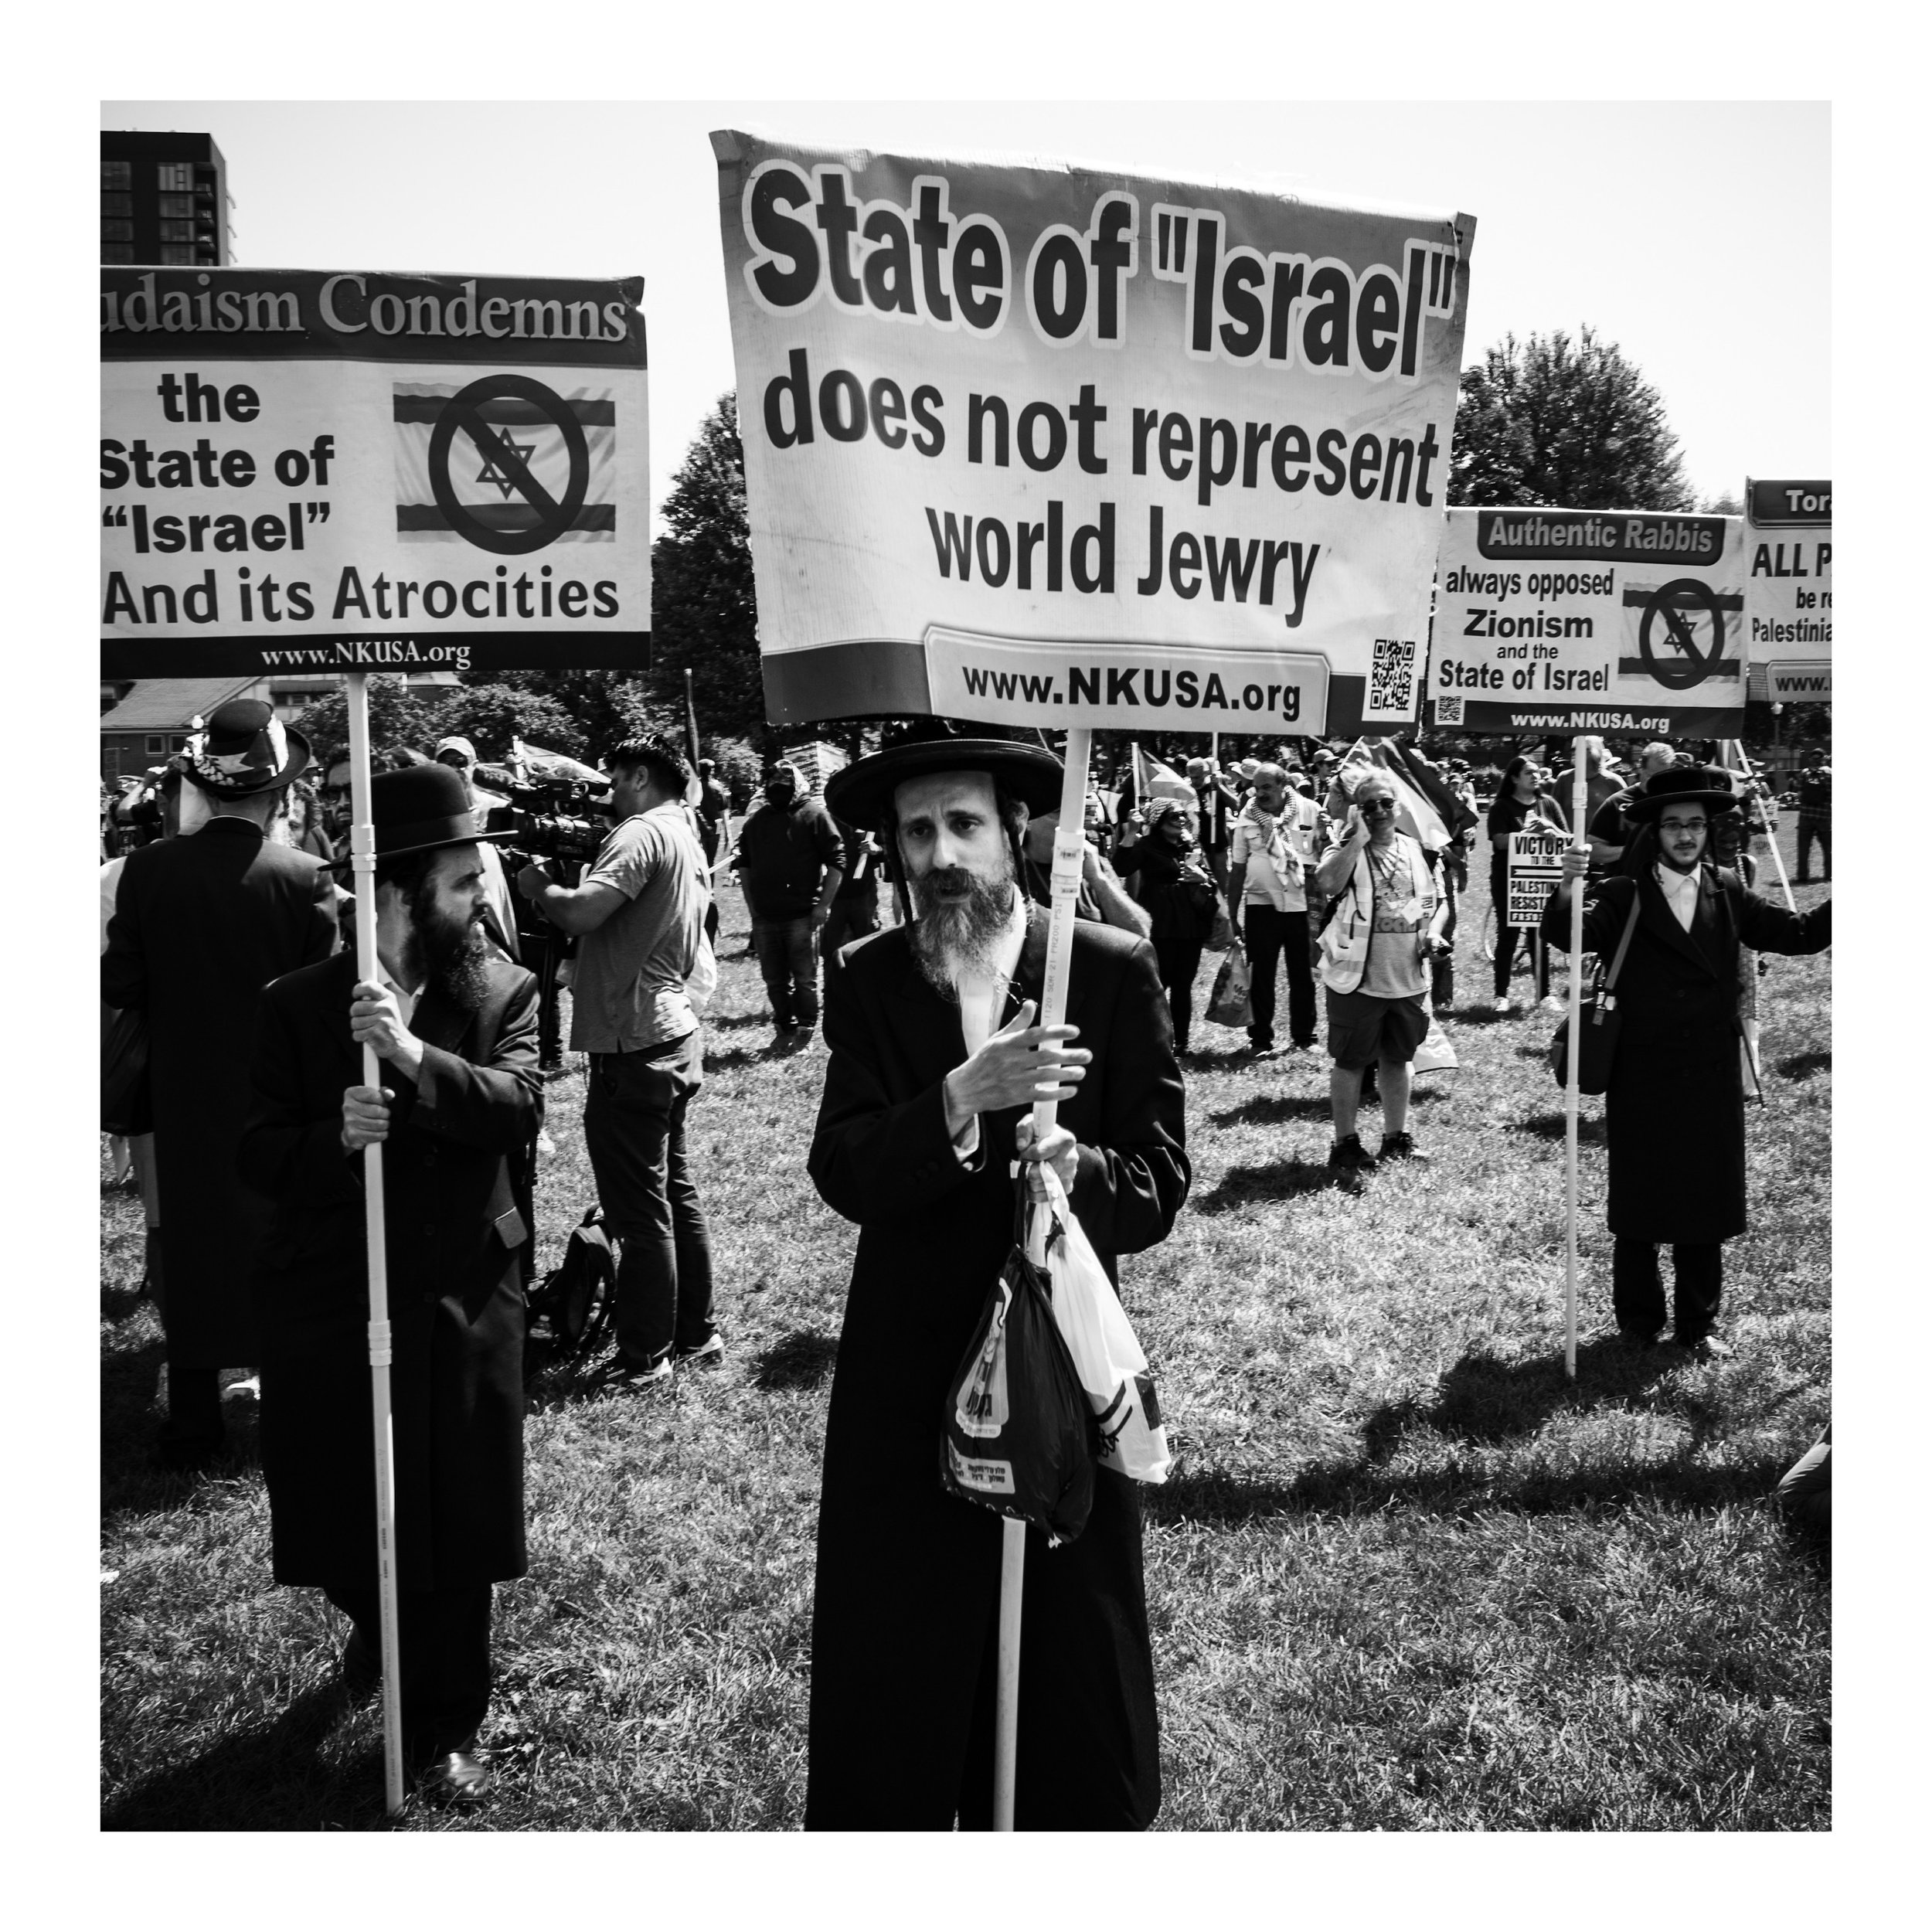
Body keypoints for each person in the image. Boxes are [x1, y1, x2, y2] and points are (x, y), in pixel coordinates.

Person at [804, 719, 1189, 1829]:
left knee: (1066, 1645)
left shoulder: (1106, 968)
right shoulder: (871, 978)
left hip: (1060, 1353)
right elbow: (844, 1166)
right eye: (917, 831)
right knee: (908, 1641)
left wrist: (1083, 1168)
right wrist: (957, 1101)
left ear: (1016, 830)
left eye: (963, 824)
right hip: (911, 1356)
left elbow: (1161, 1178)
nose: (940, 854)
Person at [239, 763, 540, 1804]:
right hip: (337, 1296)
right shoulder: (294, 1007)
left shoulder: (501, 989)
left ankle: (447, 1721)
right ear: (401, 890)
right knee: (342, 1504)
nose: (481, 899)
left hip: (462, 1291)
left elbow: (517, 1108)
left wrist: (410, 1058)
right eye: (462, 882)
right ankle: (376, 1616)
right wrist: (333, 1139)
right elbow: (253, 1152)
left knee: (455, 1517)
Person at [103, 700, 338, 1470]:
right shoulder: (305, 877)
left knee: (192, 1244)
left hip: (182, 1092)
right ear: (280, 795)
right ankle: (290, 1406)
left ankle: (194, 1424)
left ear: (204, 788)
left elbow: (121, 982)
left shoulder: (147, 870)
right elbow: (326, 998)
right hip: (281, 1096)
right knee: (283, 1243)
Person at [1542, 765, 1831, 1355]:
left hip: (1709, 1072)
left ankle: (1699, 1325)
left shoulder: (1727, 887)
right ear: (1656, 831)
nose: (1685, 835)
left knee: (1705, 1197)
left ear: (1707, 830)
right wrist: (1568, 885)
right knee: (1641, 1197)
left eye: (1695, 825)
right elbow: (1572, 937)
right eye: (1673, 825)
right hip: (1642, 1072)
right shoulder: (1624, 892)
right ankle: (1639, 1322)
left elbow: (1798, 933)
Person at [516, 735, 719, 1385]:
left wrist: (538, 884)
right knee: (674, 1195)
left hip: (632, 1041)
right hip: (669, 1032)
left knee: (639, 1210)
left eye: (612, 780)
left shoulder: (641, 831)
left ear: (638, 776)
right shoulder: (684, 833)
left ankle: (645, 1355)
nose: (607, 795)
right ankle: (696, 1334)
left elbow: (582, 913)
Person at [1315, 768, 1451, 1189]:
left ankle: (1396, 1138)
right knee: (1351, 1061)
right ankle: (1345, 1143)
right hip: (1357, 978)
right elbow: (1326, 883)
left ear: (1398, 806)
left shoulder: (1415, 849)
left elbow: (1434, 902)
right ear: (1357, 810)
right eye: (1368, 805)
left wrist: (1432, 934)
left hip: (1408, 977)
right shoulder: (1345, 848)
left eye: (1385, 803)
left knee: (1399, 1058)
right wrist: (1356, 839)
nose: (1378, 811)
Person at [733, 759, 846, 1049]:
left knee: (805, 979)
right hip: (765, 917)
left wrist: (823, 905)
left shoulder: (814, 816)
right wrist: (752, 906)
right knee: (774, 980)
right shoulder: (757, 821)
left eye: (783, 786)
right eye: (772, 785)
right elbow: (744, 863)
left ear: (796, 786)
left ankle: (806, 1029)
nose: (776, 790)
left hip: (802, 916)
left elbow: (837, 860)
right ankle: (784, 1027)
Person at [1226, 761, 1319, 1055]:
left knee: (1302, 974)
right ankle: (1260, 1040)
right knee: (1261, 975)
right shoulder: (1246, 817)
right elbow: (1237, 869)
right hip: (1261, 906)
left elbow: (1324, 856)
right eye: (1257, 787)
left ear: (1284, 785)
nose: (1260, 793)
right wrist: (1231, 915)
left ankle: (1305, 1037)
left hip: (1302, 906)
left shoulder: (1310, 811)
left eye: (1267, 787)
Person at [1114, 798, 1219, 1053]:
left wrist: (1202, 877)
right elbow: (1121, 867)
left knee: (1184, 984)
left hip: (1189, 923)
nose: (1182, 820)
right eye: (1174, 816)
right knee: (1159, 984)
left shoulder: (1189, 844)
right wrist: (1130, 833)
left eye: (1184, 815)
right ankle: (1153, 1041)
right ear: (1159, 821)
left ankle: (1181, 1042)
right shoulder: (1146, 845)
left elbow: (1211, 878)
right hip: (1161, 922)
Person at [1485, 754, 1566, 1014]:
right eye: (1528, 772)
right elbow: (1499, 840)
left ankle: (1545, 996)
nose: (1535, 776)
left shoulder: (1548, 804)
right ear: (1514, 778)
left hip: (1542, 881)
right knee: (1508, 935)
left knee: (1540, 936)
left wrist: (1551, 828)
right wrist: (1528, 833)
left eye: (1536, 772)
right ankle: (1500, 996)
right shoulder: (1501, 807)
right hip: (1508, 880)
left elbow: (1567, 838)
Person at [433, 736, 521, 964]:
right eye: (446, 764)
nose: (455, 769)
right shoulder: (434, 818)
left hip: (495, 905)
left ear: (474, 765)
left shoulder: (500, 808)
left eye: (461, 762)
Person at [1019, 791, 1151, 937]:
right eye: (1059, 813)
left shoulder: (1094, 865)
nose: (1073, 821)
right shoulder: (1008, 869)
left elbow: (1140, 933)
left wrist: (1098, 879)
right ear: (1027, 820)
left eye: (1076, 813)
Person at [1586, 739, 1679, 870]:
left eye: (1665, 778)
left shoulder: (1678, 803)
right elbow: (1592, 849)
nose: (1660, 783)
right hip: (1625, 880)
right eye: (1653, 776)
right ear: (1641, 769)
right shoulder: (1617, 802)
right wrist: (1633, 850)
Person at [1793, 747, 1831, 883]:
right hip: (1824, 816)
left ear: (1811, 759)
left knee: (1803, 848)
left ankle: (1802, 876)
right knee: (1829, 848)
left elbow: (1799, 795)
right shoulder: (1830, 773)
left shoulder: (1804, 773)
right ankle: (1829, 874)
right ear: (1824, 758)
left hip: (1806, 815)